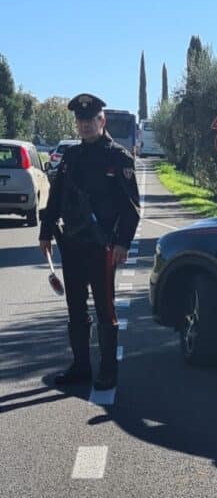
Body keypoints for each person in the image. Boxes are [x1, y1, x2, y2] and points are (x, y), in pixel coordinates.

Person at [38, 94, 140, 391]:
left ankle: (107, 371)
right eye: (80, 120)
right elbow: (55, 199)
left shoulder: (118, 157)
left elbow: (130, 209)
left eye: (90, 119)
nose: (84, 125)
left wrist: (122, 243)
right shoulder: (71, 157)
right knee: (75, 308)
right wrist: (45, 232)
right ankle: (81, 365)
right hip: (72, 244)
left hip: (103, 246)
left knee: (105, 308)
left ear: (101, 121)